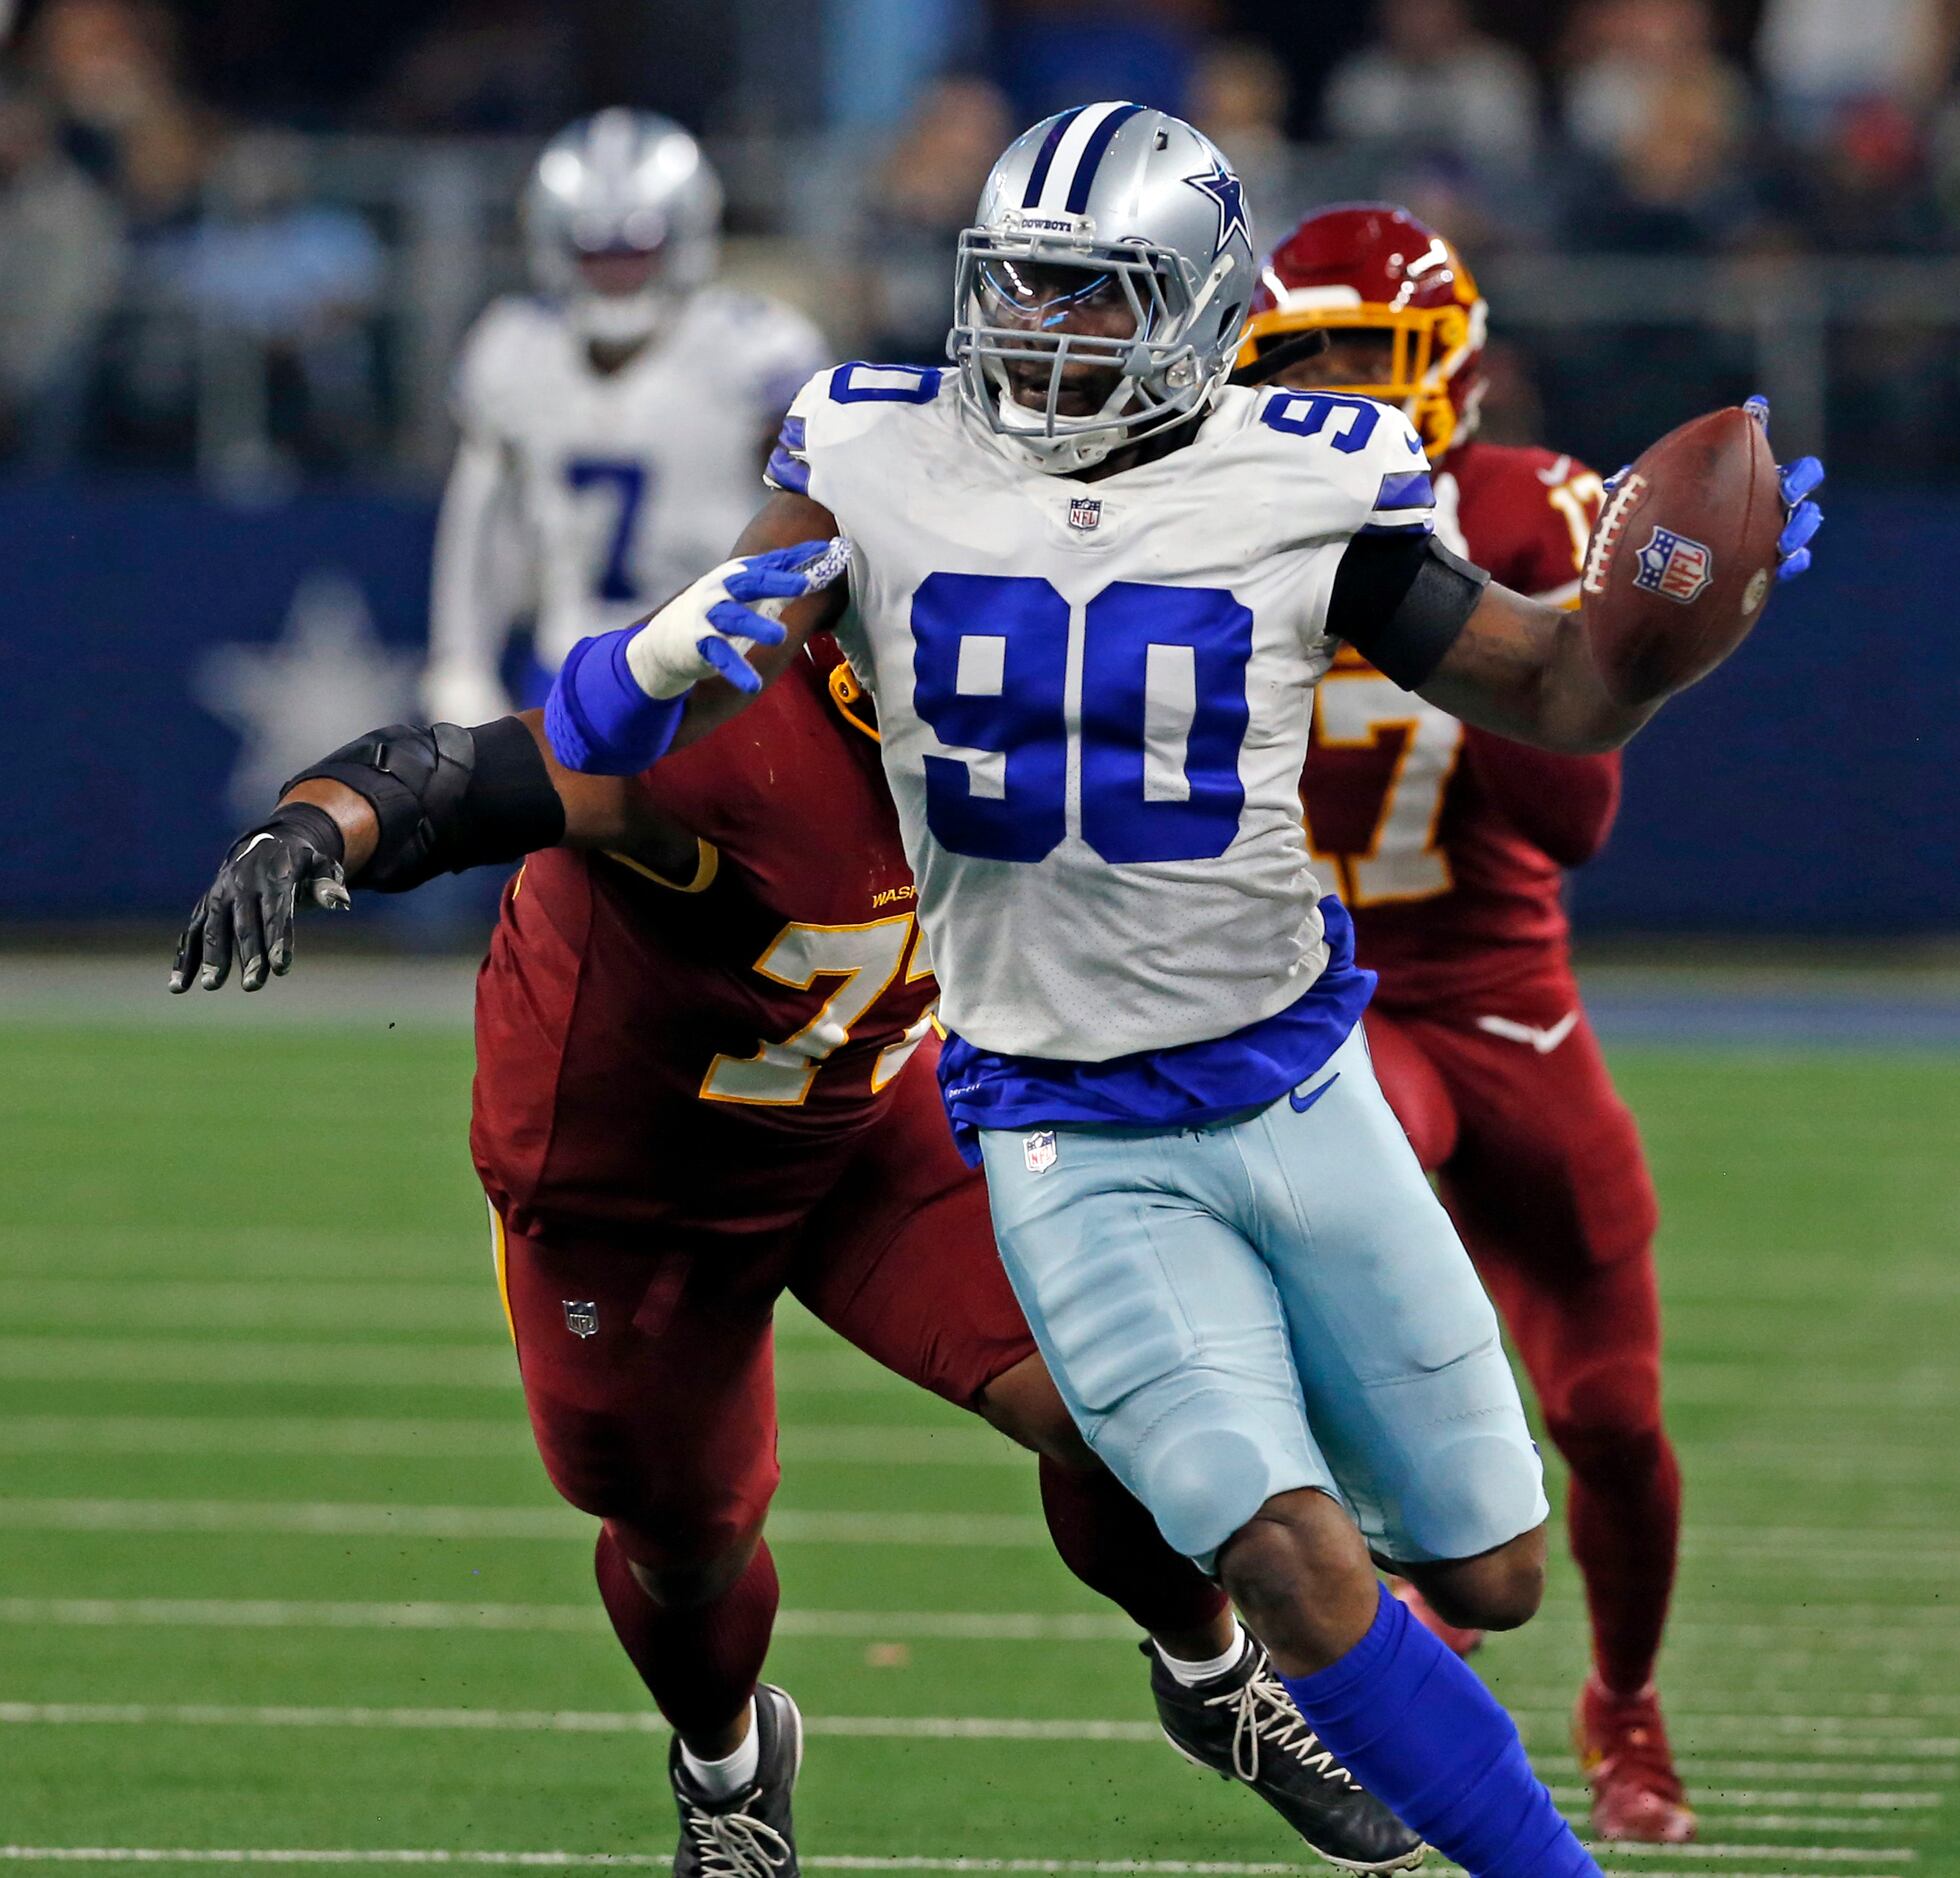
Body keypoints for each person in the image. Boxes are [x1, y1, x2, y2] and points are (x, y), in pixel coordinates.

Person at [441, 103, 1823, 1874]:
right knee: (1275, 1543)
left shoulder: (1309, 470)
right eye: (1015, 281)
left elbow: (1560, 703)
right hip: (1047, 1102)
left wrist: (1664, 634)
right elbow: (651, 701)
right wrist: (562, 716)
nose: (1036, 325)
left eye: (1091, 295)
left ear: (1185, 306)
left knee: (1491, 1566)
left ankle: (1291, 1644)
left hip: (1293, 1069)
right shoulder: (878, 445)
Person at [170, 643, 1425, 1874]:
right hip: (630, 1195)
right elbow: (451, 776)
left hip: (867, 1114)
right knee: (686, 1539)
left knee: (1120, 1395)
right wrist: (312, 830)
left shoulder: (1062, 730)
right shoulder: (727, 726)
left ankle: (1216, 1680)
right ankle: (726, 1767)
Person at [1240, 202, 1693, 1845]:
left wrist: (1458, 604)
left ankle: (1625, 1697)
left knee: (1613, 1410)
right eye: (1310, 359)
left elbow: (1574, 823)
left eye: (1374, 353)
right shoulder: (1227, 519)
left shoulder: (1525, 504)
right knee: (1350, 1244)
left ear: (1455, 367)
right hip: (1328, 999)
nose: (1347, 382)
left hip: (1503, 1001)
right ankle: (1404, 1633)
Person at [422, 108, 829, 726]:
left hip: (719, 663)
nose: (615, 271)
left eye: (635, 249)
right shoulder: (513, 348)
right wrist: (459, 662)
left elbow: (817, 518)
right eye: (594, 251)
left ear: (684, 239)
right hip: (570, 663)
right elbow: (483, 523)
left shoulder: (756, 350)